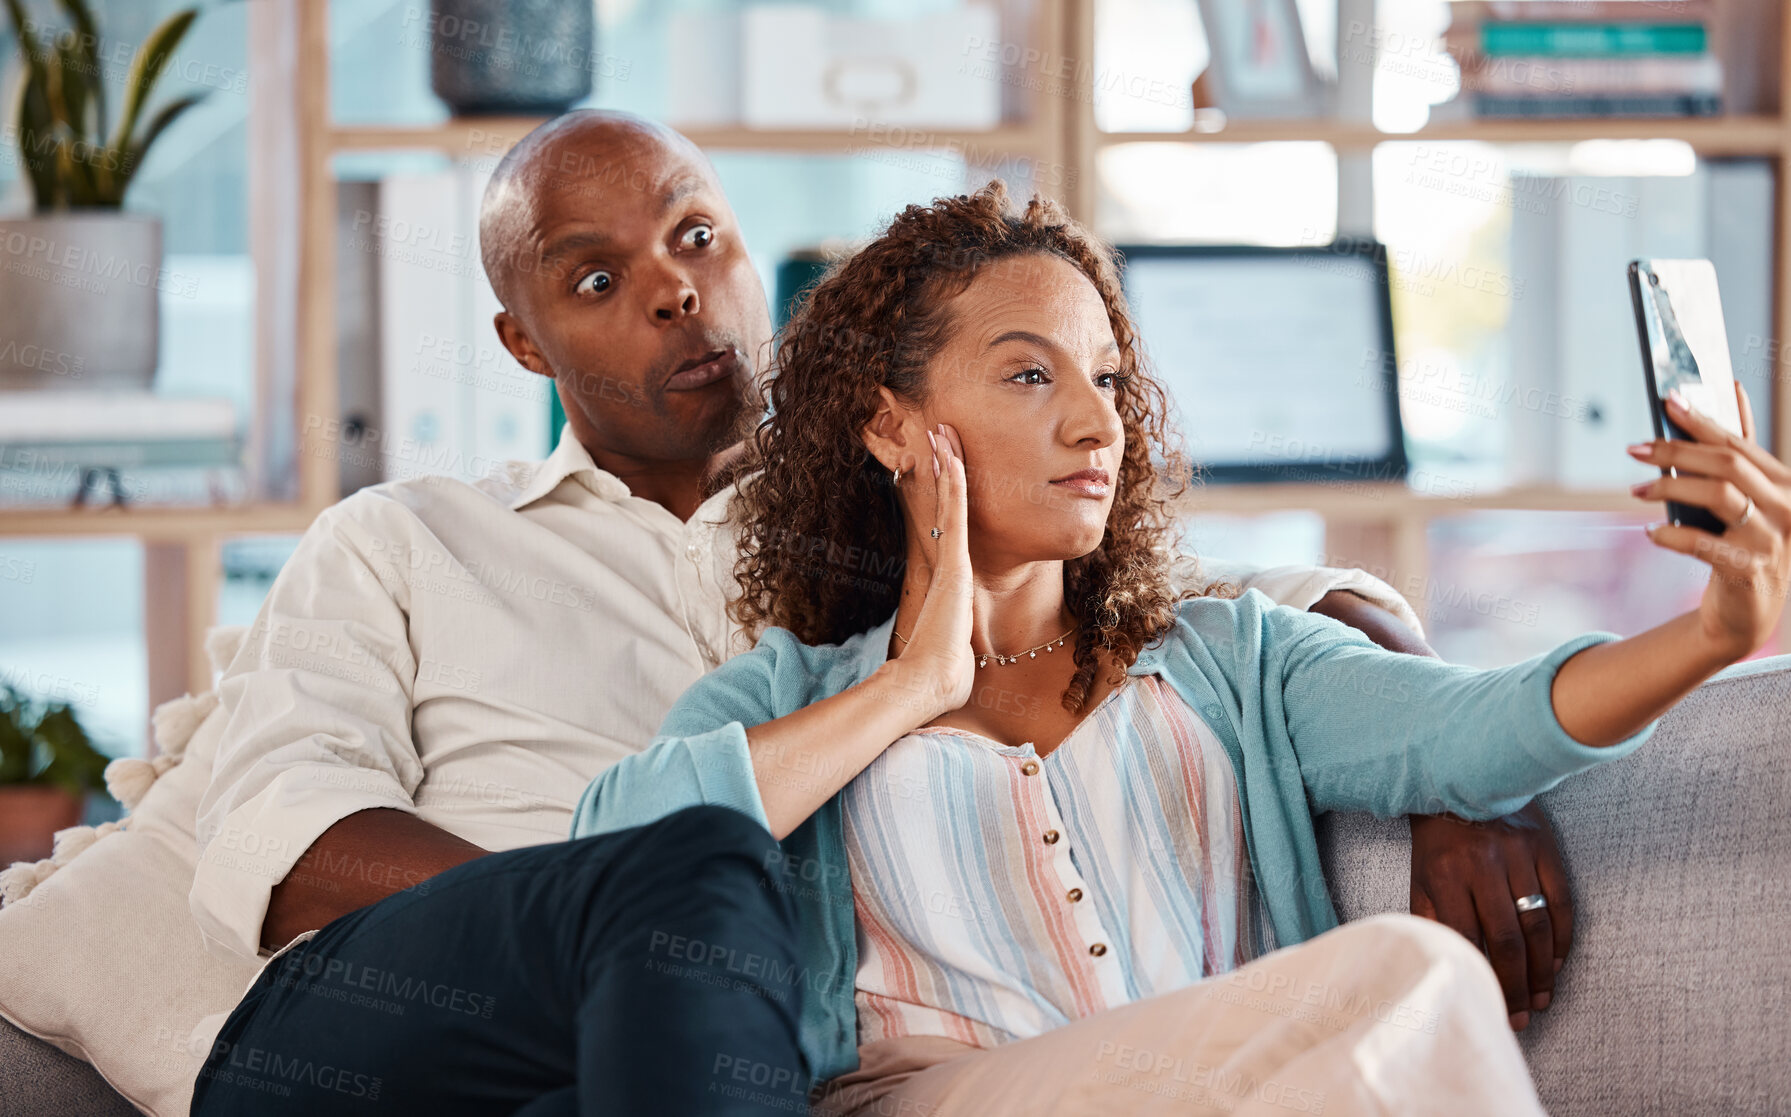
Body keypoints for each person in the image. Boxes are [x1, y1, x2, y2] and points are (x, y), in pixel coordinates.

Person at [186, 112, 1580, 1111]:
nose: (674, 288)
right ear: (520, 341)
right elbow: (279, 829)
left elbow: (1212, 620)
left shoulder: (905, 514)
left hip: (760, 1055)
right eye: (596, 278)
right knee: (688, 870)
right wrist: (617, 928)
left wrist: (1457, 779)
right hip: (497, 990)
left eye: (696, 236)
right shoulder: (404, 538)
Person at [573, 181, 1791, 1115]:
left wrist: (1708, 635)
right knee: (1409, 977)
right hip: (939, 1094)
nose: (1095, 418)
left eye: (1106, 376)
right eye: (1029, 373)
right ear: (892, 426)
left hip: (1221, 1090)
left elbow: (1481, 728)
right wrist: (912, 687)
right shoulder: (793, 695)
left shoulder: (1226, 658)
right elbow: (613, 849)